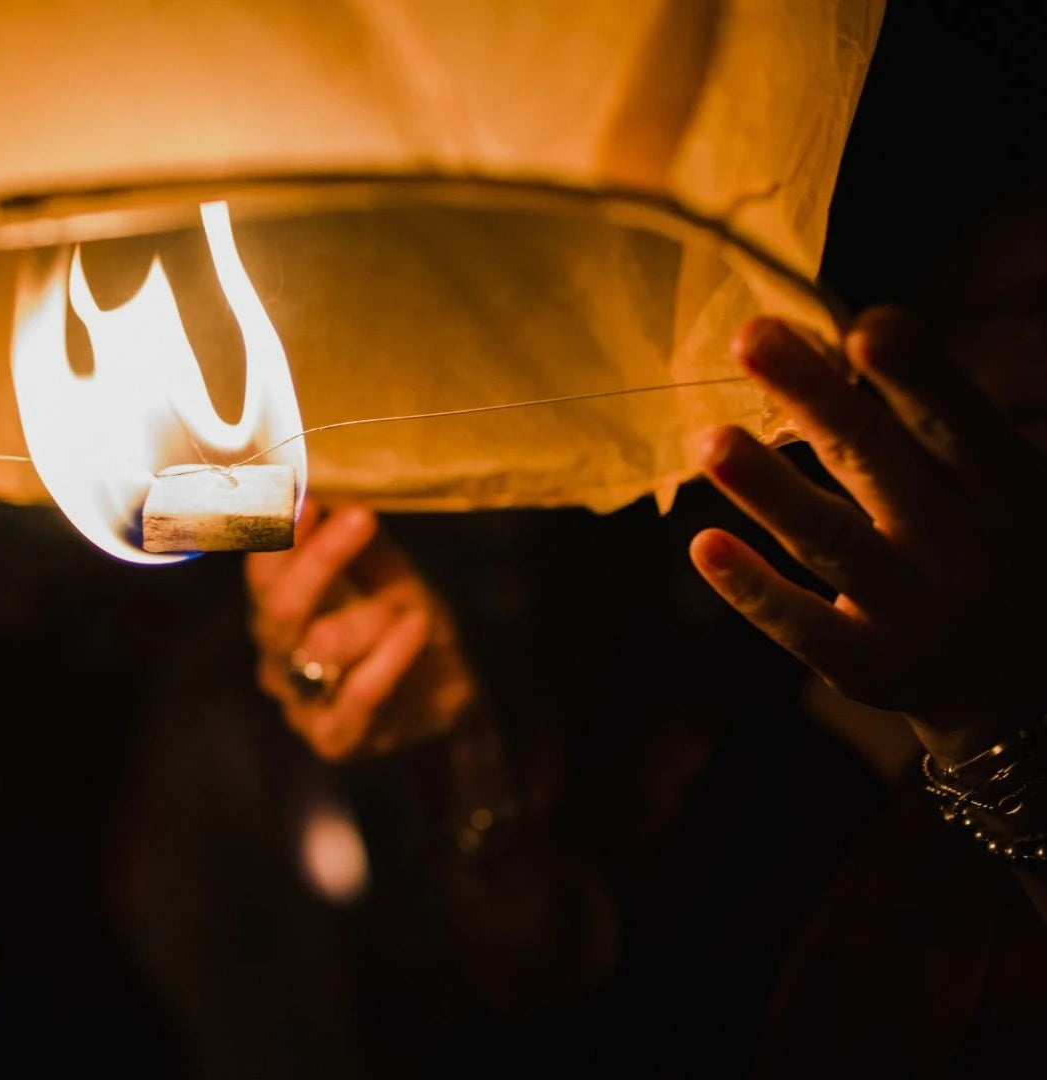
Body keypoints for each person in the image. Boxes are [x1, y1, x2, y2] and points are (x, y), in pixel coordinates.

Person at [242, 203, 1047, 1072]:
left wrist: (992, 720)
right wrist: (449, 736)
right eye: (1027, 306)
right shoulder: (715, 673)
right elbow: (552, 969)